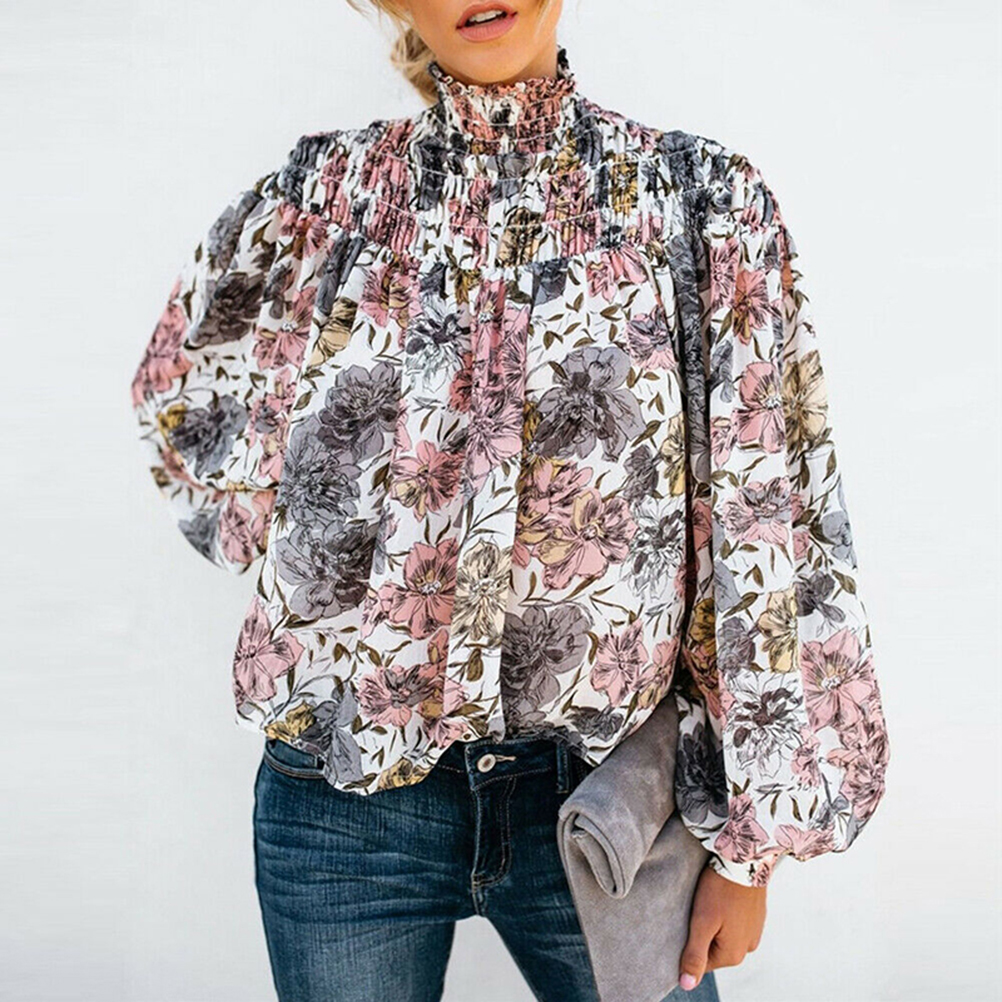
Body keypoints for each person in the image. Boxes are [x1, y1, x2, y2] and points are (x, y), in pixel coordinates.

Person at [129, 1, 891, 999]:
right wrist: (318, 573)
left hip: (606, 804)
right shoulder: (322, 199)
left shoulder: (700, 205)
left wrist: (749, 851)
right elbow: (184, 401)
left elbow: (771, 522)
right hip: (344, 804)